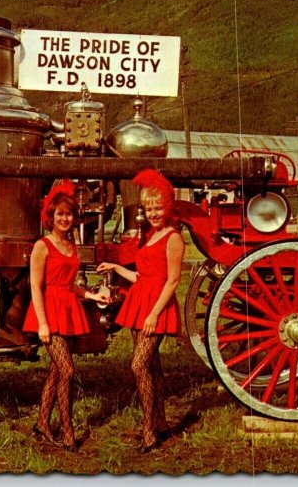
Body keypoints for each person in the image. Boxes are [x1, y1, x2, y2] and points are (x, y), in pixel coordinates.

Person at [96, 169, 184, 452]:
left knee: (138, 365)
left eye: (158, 207)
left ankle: (149, 432)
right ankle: (159, 423)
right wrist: (117, 268)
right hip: (139, 301)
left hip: (155, 308)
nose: (154, 213)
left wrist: (154, 315)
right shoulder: (150, 235)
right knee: (153, 368)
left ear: (167, 207)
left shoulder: (173, 238)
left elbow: (172, 282)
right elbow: (143, 277)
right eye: (149, 208)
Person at [23, 180, 109, 452]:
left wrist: (91, 296)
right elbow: (36, 286)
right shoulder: (42, 245)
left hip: (69, 308)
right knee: (68, 370)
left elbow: (69, 284)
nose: (64, 218)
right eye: (59, 214)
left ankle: (42, 424)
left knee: (56, 372)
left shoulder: (71, 246)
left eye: (68, 214)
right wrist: (44, 324)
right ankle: (68, 431)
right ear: (51, 216)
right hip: (49, 311)